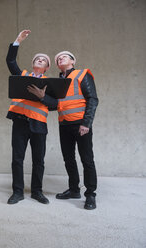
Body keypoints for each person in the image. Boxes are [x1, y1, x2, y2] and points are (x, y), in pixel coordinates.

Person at [30, 51, 99, 210]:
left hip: (81, 125)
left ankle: (90, 195)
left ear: (73, 61)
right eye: (58, 58)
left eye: (64, 56)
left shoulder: (83, 75)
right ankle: (74, 190)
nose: (61, 58)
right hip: (64, 125)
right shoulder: (58, 82)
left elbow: (92, 99)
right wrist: (42, 97)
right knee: (69, 159)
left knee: (87, 160)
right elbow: (55, 105)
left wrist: (86, 123)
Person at [6, 30, 55, 205]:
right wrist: (18, 40)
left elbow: (55, 104)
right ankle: (18, 192)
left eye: (43, 60)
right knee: (17, 159)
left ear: (47, 67)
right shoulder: (23, 76)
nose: (39, 60)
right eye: (37, 59)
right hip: (20, 122)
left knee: (38, 161)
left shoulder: (51, 84)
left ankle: (37, 192)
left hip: (39, 125)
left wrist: (43, 96)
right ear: (33, 63)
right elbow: (10, 61)